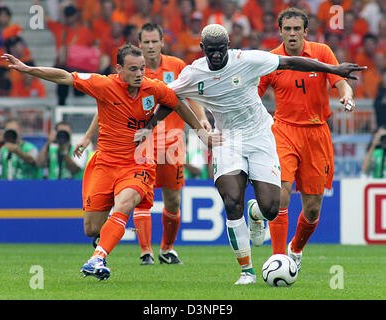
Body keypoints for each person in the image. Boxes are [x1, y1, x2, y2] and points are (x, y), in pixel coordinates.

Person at [149, 23, 364, 285]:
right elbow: (170, 99)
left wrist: (333, 69)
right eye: (211, 51)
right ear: (202, 48)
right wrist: (148, 126)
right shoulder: (194, 73)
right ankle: (247, 271)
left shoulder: (247, 59)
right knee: (231, 201)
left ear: (228, 46)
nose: (216, 55)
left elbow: (290, 62)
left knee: (272, 209)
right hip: (228, 139)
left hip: (260, 134)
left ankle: (256, 214)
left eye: (221, 50)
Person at [1, 44, 220, 281]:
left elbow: (176, 102)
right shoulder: (104, 84)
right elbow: (64, 76)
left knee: (125, 203)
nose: (139, 74)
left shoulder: (152, 87)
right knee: (91, 229)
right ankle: (102, 240)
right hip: (105, 163)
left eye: (142, 69)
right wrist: (28, 69)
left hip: (138, 162)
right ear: (119, 68)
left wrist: (197, 132)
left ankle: (98, 258)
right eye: (133, 69)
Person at [75, 23, 211, 266]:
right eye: (145, 42)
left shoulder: (176, 66)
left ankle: (167, 249)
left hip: (172, 143)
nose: (150, 46)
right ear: (140, 45)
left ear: (162, 42)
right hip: (140, 144)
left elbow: (187, 97)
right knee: (137, 198)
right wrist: (88, 136)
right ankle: (145, 250)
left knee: (173, 200)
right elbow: (108, 107)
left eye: (154, 41)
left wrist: (201, 120)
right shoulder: (131, 72)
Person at [255, 8, 357, 271]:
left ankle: (295, 250)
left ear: (305, 32)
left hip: (316, 134)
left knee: (312, 210)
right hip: (284, 131)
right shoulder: (272, 60)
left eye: (296, 29)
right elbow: (254, 93)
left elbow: (340, 79)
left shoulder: (322, 52)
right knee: (281, 195)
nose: (291, 33)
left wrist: (346, 95)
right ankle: (278, 258)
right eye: (287, 29)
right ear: (280, 32)